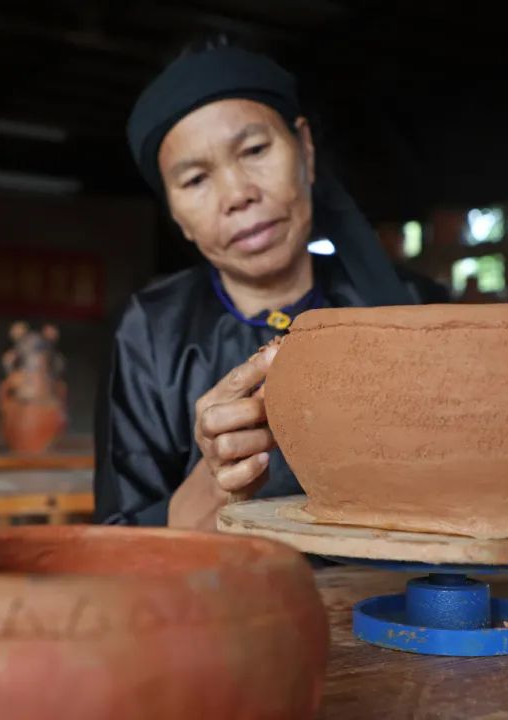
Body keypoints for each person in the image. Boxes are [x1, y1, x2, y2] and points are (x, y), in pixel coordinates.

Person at [94, 41, 419, 530]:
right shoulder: (149, 331)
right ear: (176, 215)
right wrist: (212, 486)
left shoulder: (409, 307)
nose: (237, 195)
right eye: (195, 179)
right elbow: (117, 540)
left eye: (254, 150)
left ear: (304, 149)